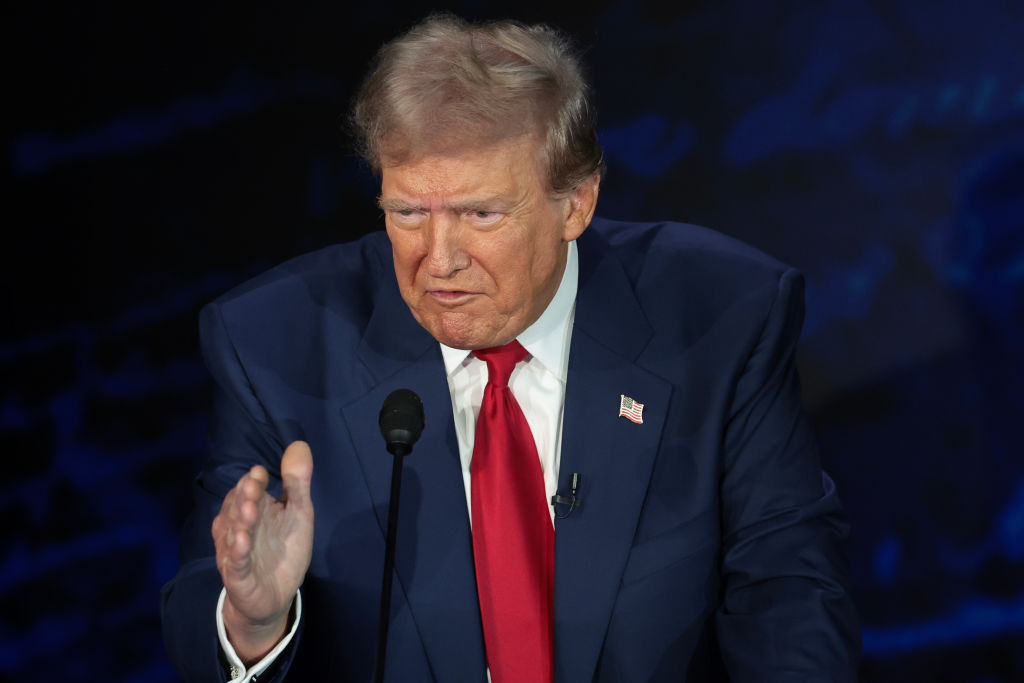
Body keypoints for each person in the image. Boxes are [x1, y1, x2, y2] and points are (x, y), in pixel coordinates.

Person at [161, 13, 859, 682]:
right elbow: (200, 607)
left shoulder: (721, 319)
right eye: (408, 212)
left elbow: (788, 592)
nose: (439, 259)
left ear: (576, 202)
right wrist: (253, 622)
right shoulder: (274, 344)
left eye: (481, 213)